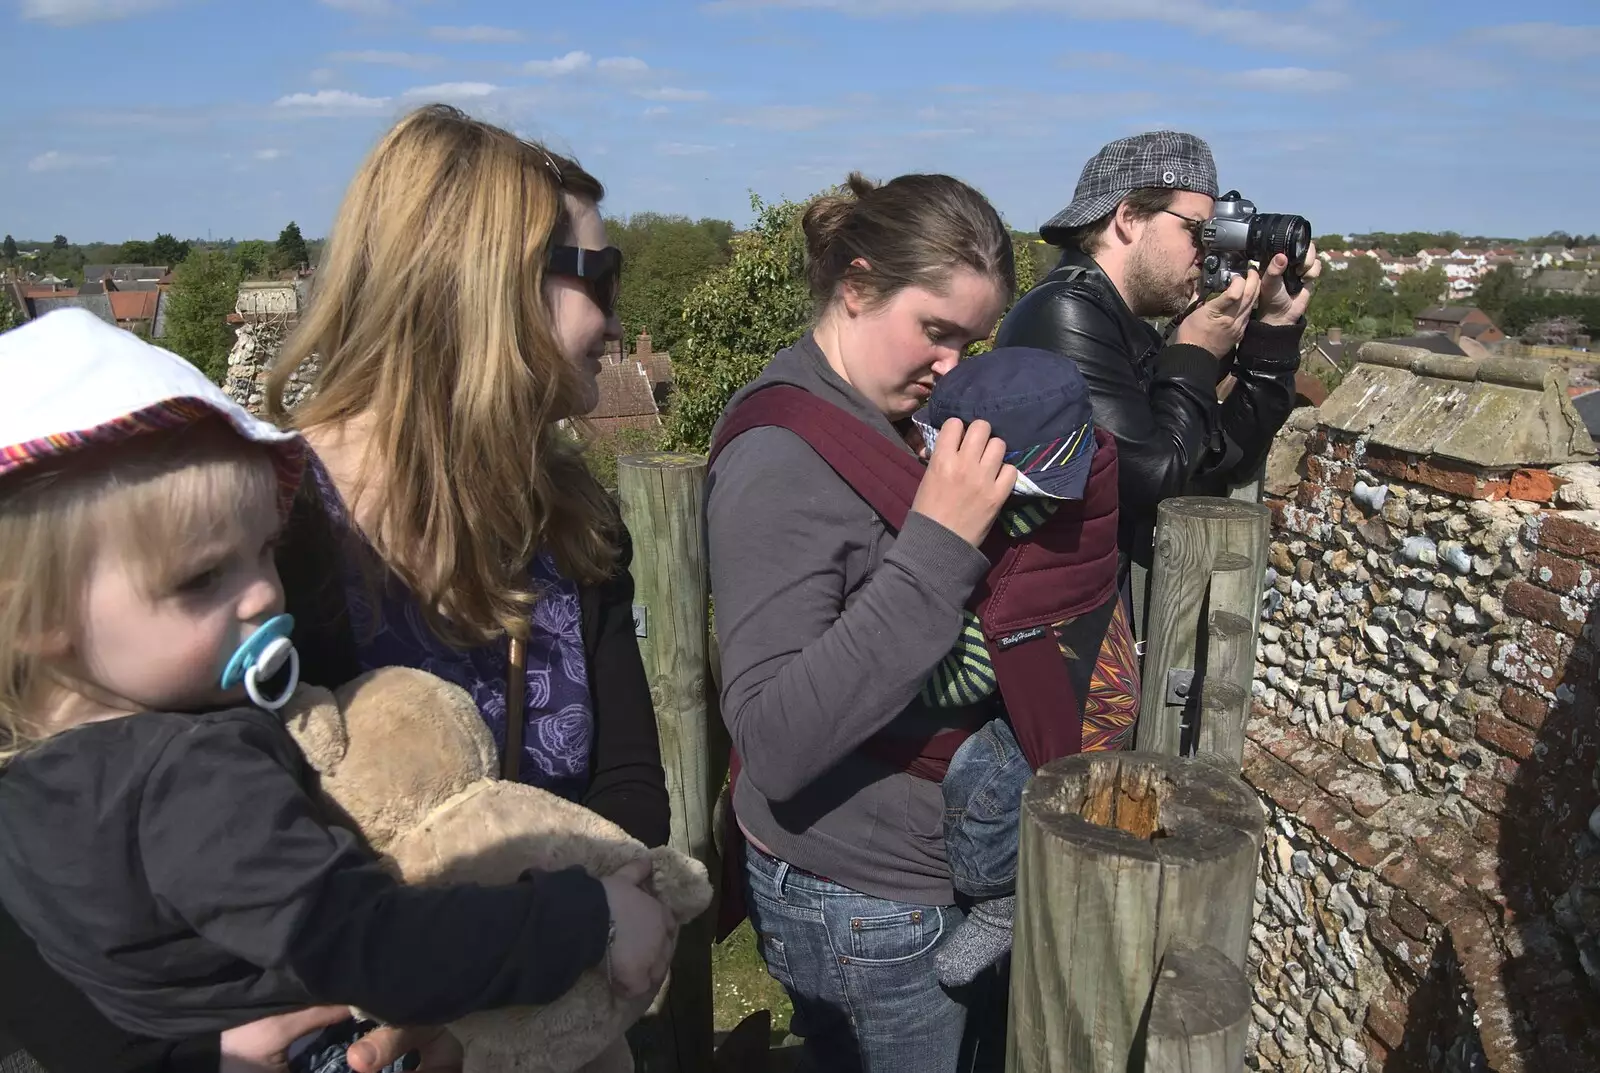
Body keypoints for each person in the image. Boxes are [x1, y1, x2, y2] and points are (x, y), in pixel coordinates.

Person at [0, 104, 672, 1073]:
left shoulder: (573, 523)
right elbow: (67, 852)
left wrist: (590, 937)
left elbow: (627, 793)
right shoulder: (252, 543)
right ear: (485, 289)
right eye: (597, 278)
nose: (612, 317)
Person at [706, 171, 1017, 1073]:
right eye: (936, 330)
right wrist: (939, 543)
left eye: (972, 341)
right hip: (863, 902)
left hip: (896, 886)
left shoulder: (888, 417)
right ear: (855, 284)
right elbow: (772, 736)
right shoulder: (781, 458)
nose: (954, 365)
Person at [994, 130, 1321, 634]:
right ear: (1128, 218)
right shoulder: (1063, 314)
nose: (1207, 249)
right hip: (1051, 652)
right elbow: (1154, 481)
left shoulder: (1122, 324)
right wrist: (1193, 354)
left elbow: (1219, 461)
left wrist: (1273, 333)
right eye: (1198, 230)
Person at [904, 348, 1131, 990]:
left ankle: (999, 898)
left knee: (982, 780)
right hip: (1091, 673)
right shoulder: (1091, 468)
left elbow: (970, 671)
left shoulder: (1029, 526)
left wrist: (887, 671)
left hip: (1081, 712)